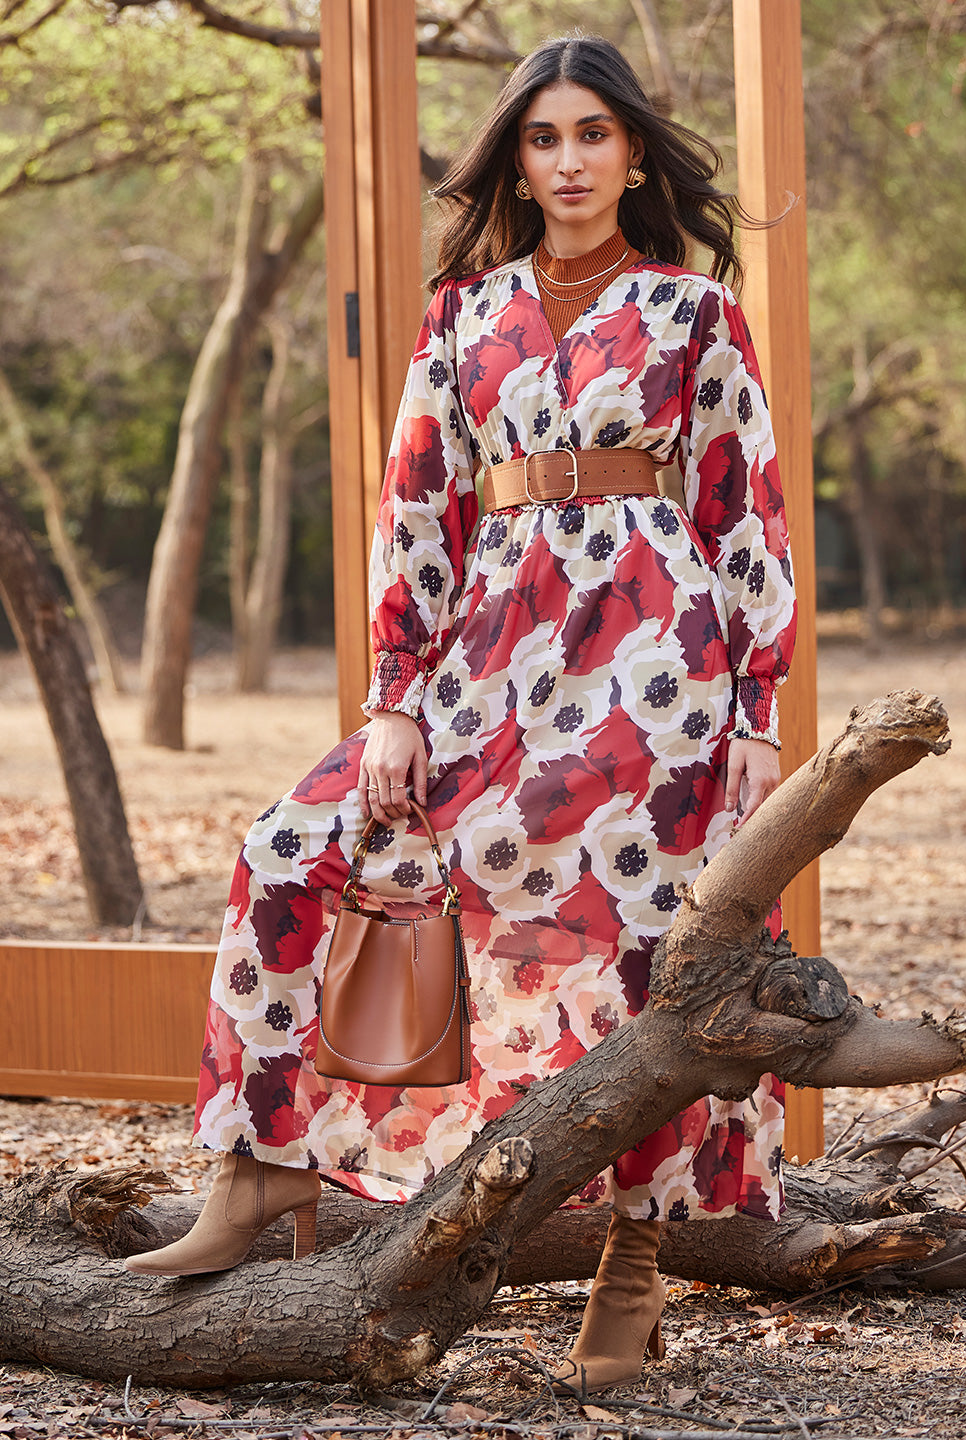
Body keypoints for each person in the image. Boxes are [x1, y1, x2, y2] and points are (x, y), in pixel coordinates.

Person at [125, 33, 797, 1395]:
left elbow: (747, 514)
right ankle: (254, 1172)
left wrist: (758, 714)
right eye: (543, 139)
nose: (568, 163)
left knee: (631, 931)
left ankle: (636, 1254)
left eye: (593, 136)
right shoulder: (459, 316)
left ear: (633, 152)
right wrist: (391, 701)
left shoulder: (692, 314)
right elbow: (415, 513)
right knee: (290, 849)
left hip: (653, 654)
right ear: (515, 158)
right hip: (488, 646)